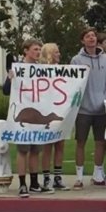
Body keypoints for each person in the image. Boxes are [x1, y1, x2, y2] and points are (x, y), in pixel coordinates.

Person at [70, 28, 106, 189]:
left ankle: (98, 175)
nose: (91, 38)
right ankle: (79, 177)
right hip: (83, 110)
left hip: (101, 109)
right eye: (87, 36)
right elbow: (72, 84)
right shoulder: (76, 60)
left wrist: (104, 98)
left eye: (93, 36)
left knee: (100, 142)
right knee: (81, 142)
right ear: (82, 41)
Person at [3, 39, 51, 197]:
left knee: (36, 150)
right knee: (23, 150)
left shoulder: (41, 69)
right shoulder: (18, 68)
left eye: (39, 49)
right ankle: (23, 184)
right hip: (24, 115)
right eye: (35, 49)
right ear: (26, 51)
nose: (38, 52)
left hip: (37, 114)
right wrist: (10, 78)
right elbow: (6, 91)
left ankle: (35, 182)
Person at [40, 43, 67, 190]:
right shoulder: (40, 71)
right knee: (47, 147)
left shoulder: (63, 71)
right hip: (46, 111)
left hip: (61, 110)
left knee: (60, 145)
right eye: (56, 52)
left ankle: (57, 176)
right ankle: (46, 178)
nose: (59, 54)